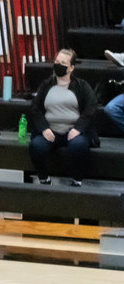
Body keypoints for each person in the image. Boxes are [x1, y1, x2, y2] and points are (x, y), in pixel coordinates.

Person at [28, 48, 96, 186]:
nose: (58, 65)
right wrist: (44, 129)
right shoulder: (46, 85)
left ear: (71, 68)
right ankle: (44, 179)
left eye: (63, 63)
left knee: (78, 146)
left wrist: (78, 129)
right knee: (36, 146)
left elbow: (91, 108)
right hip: (51, 131)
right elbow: (35, 108)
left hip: (74, 131)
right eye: (57, 61)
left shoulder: (81, 86)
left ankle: (77, 180)